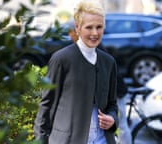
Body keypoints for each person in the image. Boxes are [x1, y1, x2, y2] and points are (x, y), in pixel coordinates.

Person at [34, 1, 119, 144]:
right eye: (89, 27)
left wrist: (112, 119)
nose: (95, 33)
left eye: (99, 27)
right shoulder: (61, 59)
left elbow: (112, 104)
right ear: (78, 28)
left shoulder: (108, 62)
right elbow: (47, 106)